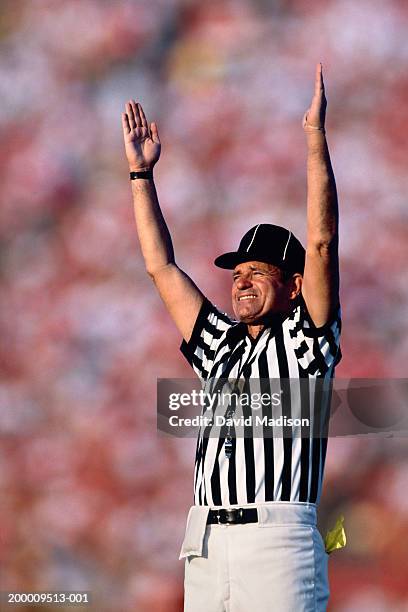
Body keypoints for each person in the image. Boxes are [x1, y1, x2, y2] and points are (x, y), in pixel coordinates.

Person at [122, 63, 341, 612]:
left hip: (276, 539)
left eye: (257, 272)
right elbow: (162, 268)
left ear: (293, 286)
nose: (240, 282)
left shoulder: (305, 340)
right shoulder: (221, 342)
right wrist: (141, 178)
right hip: (204, 540)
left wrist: (315, 142)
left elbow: (320, 243)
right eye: (236, 273)